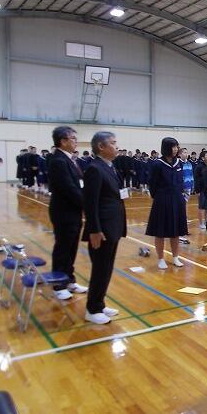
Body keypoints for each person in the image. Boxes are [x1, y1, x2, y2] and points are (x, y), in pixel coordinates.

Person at [82, 131, 127, 324]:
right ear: (101, 147)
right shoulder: (94, 169)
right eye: (113, 143)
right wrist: (94, 229)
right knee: (100, 269)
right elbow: (90, 203)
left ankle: (99, 304)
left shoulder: (109, 166)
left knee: (107, 267)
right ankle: (92, 309)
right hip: (101, 229)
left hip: (113, 226)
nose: (117, 146)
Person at [47, 126, 88, 300]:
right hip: (63, 211)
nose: (76, 142)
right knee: (63, 248)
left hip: (73, 210)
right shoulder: (58, 160)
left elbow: (79, 184)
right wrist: (87, 205)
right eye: (73, 139)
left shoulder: (69, 159)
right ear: (63, 141)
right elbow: (68, 188)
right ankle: (59, 285)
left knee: (72, 247)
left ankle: (69, 279)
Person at [146, 137, 187, 270]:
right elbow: (152, 184)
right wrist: (159, 197)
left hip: (177, 199)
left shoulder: (178, 163)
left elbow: (180, 181)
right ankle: (161, 259)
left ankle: (175, 257)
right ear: (166, 148)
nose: (176, 149)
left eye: (177, 146)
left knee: (176, 231)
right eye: (173, 146)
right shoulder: (157, 164)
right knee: (160, 231)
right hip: (162, 200)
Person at [178, 148, 194, 244]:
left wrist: (192, 185)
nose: (186, 154)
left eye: (187, 152)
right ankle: (180, 232)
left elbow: (191, 175)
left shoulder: (189, 164)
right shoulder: (178, 163)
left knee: (184, 207)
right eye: (184, 152)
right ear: (180, 154)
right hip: (181, 189)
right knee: (181, 208)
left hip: (188, 188)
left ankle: (183, 230)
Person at [194, 150, 207, 228]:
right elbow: (196, 179)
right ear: (203, 158)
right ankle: (201, 223)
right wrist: (198, 190)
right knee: (201, 207)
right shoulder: (199, 167)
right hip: (201, 190)